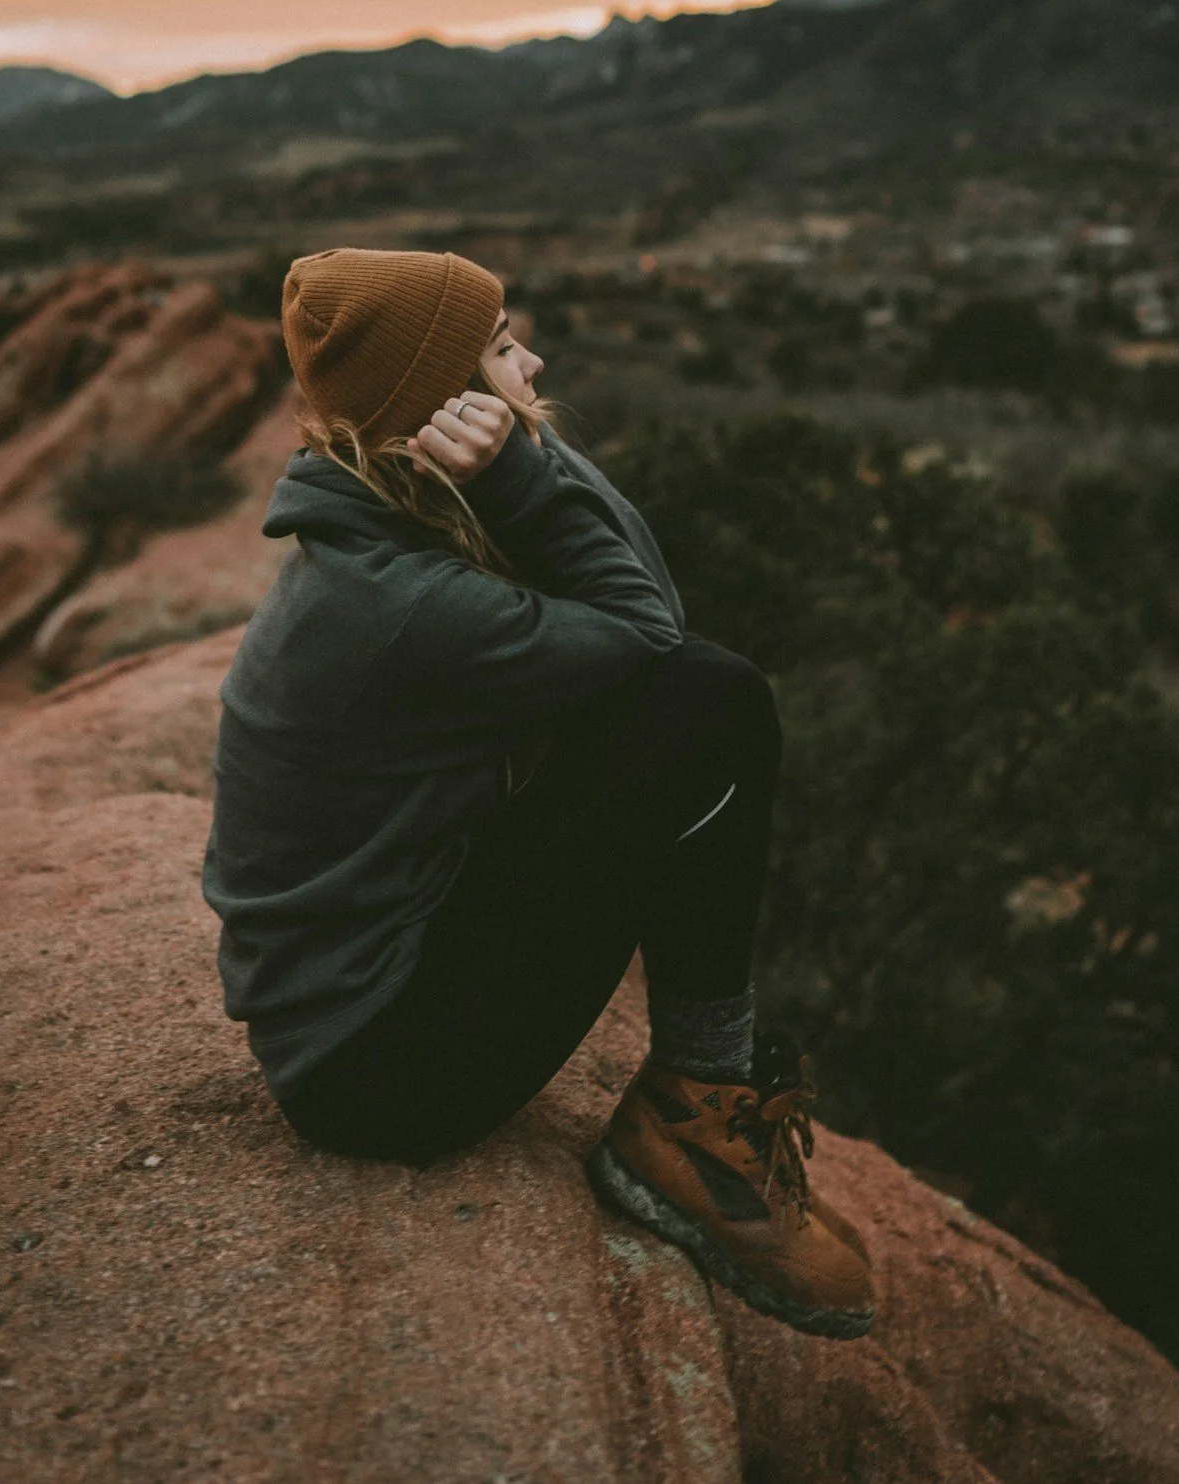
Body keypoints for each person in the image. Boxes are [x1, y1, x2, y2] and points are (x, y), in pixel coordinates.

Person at [202, 245, 875, 1339]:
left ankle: (700, 1098)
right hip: (381, 1065)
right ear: (445, 410)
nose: (535, 360)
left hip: (363, 1013)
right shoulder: (399, 604)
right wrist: (522, 471)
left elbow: (645, 614)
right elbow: (660, 644)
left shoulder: (374, 531)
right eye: (506, 349)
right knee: (711, 700)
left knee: (685, 697)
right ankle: (693, 1117)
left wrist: (521, 462)